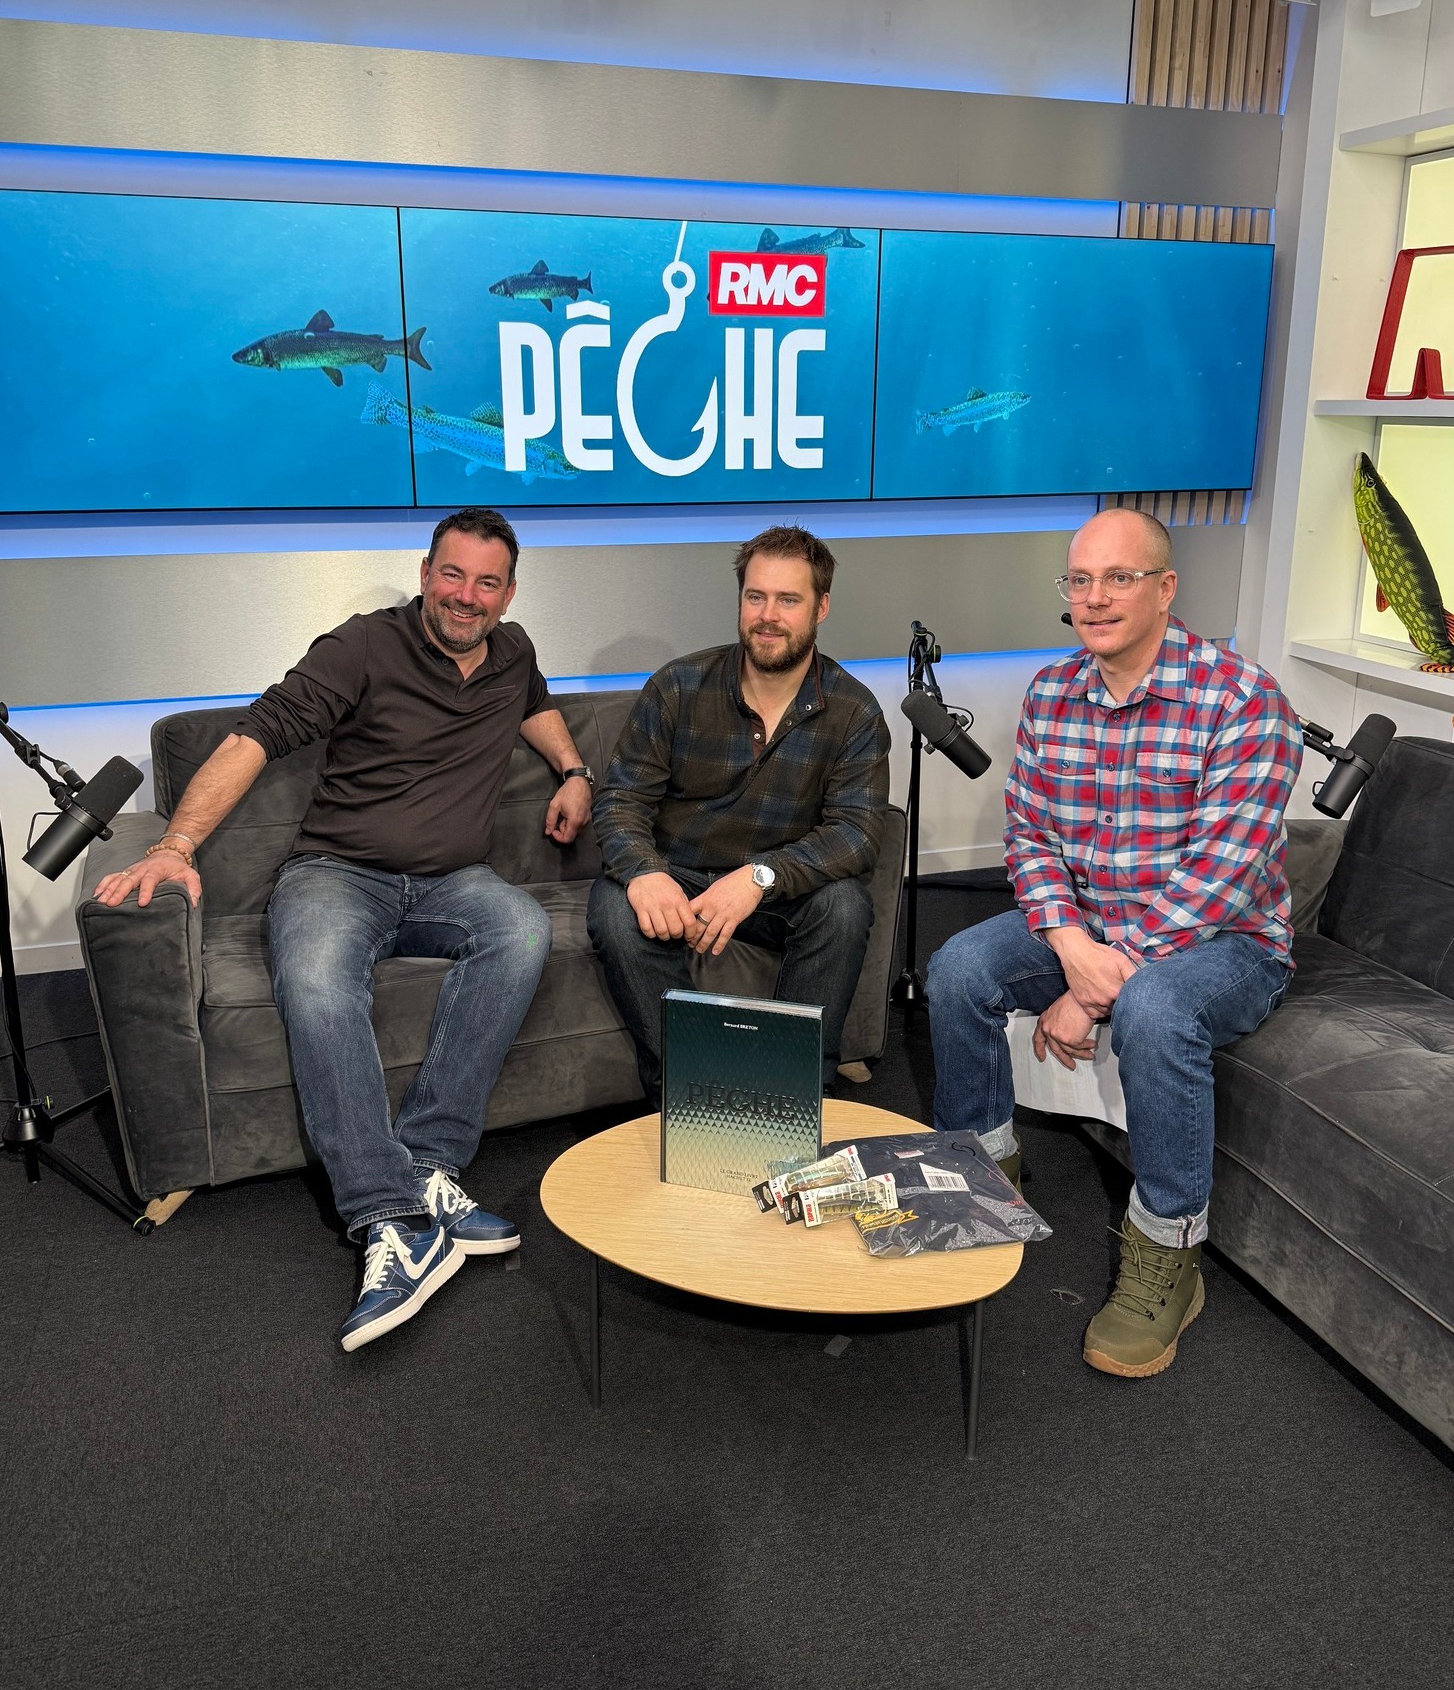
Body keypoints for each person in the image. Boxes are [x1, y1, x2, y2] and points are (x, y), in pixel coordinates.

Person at [93, 507, 595, 1351]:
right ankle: (388, 1216)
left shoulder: (513, 652)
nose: (465, 596)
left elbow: (534, 703)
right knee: (318, 980)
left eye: (486, 583)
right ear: (424, 572)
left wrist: (573, 769)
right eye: (451, 574)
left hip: (454, 882)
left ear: (509, 594)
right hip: (338, 873)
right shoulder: (362, 645)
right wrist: (176, 844)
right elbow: (258, 734)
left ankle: (427, 1165)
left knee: (523, 929)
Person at [926, 508, 1300, 1378]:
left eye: (1118, 578)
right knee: (957, 969)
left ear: (1166, 589)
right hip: (1090, 923)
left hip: (1227, 941)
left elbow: (1219, 879)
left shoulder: (1245, 700)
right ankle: (983, 1180)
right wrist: (1069, 943)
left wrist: (1096, 983)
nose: (1094, 598)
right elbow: (1030, 837)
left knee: (1155, 1005)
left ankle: (1168, 1251)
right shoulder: (1053, 691)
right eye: (1080, 580)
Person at [587, 524, 891, 1104]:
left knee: (845, 907)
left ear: (821, 608)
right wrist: (646, 872)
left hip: (775, 890)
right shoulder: (678, 686)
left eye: (788, 600)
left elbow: (856, 833)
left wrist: (759, 877)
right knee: (613, 907)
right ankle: (694, 1094)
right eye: (756, 597)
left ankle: (792, 1095)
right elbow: (622, 798)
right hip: (678, 875)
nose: (767, 616)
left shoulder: (854, 711)